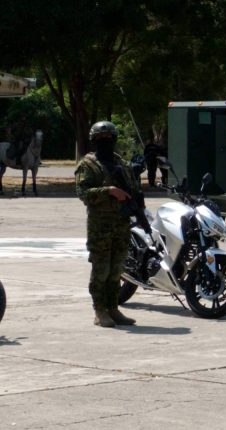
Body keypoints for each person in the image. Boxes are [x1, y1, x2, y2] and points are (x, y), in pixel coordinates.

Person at [75, 121, 141, 328]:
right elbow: (83, 193)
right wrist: (109, 191)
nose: (106, 142)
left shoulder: (121, 163)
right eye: (102, 139)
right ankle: (100, 310)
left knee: (116, 270)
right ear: (94, 141)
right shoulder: (88, 165)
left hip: (121, 224)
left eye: (109, 139)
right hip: (100, 225)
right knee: (101, 270)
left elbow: (133, 189)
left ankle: (113, 308)